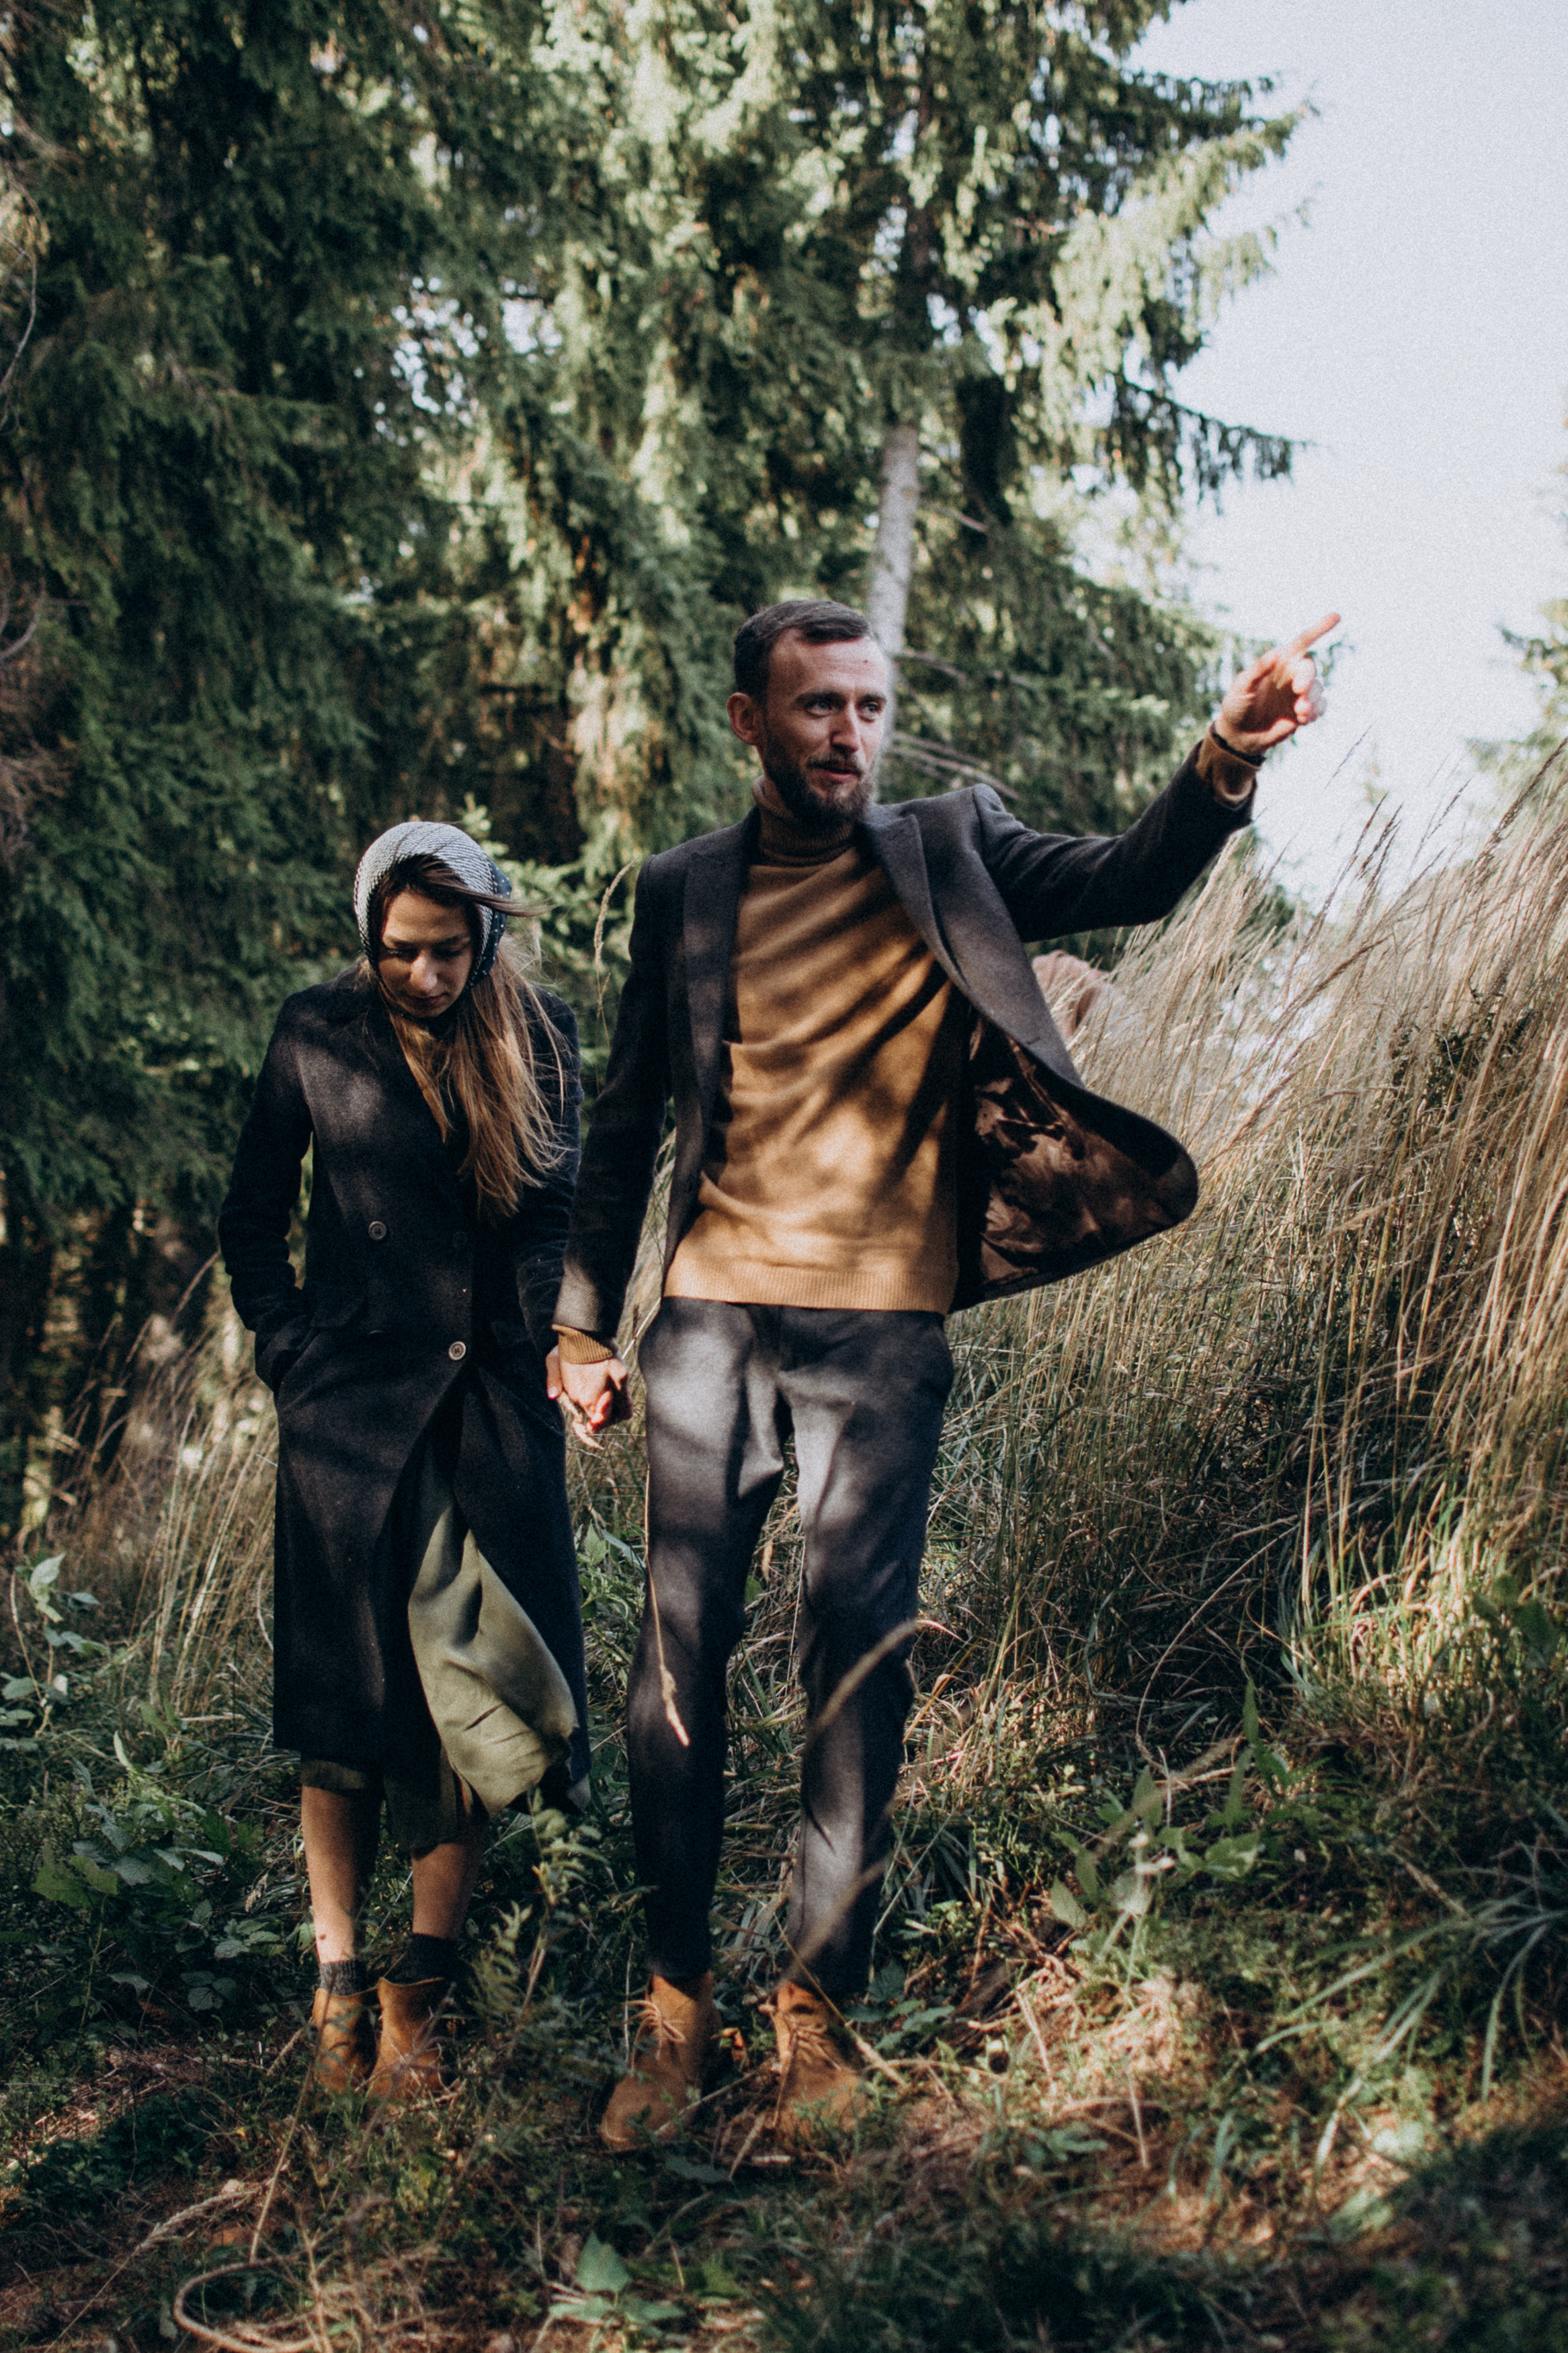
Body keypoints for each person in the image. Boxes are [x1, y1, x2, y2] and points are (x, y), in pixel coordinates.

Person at [548, 598, 1336, 2149]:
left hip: (883, 1334)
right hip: (708, 1324)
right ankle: (672, 2006)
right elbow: (626, 1117)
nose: (851, 731)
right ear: (747, 722)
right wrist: (581, 1324)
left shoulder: (948, 844)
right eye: (819, 706)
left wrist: (1225, 755)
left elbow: (1130, 877)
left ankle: (816, 2012)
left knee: (858, 1667)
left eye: (868, 705)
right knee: (670, 1682)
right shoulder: (683, 891)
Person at [220, 821, 591, 2100]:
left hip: (486, 1414)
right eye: (400, 953)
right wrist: (289, 1354)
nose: (426, 976)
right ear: (366, 935)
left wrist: (557, 1351)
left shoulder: (539, 1037)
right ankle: (334, 1996)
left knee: (471, 1713)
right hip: (350, 1420)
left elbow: (555, 1216)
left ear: (487, 932)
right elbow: (250, 1212)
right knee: (345, 1715)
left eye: (449, 951)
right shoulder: (315, 1033)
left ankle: (415, 2005)